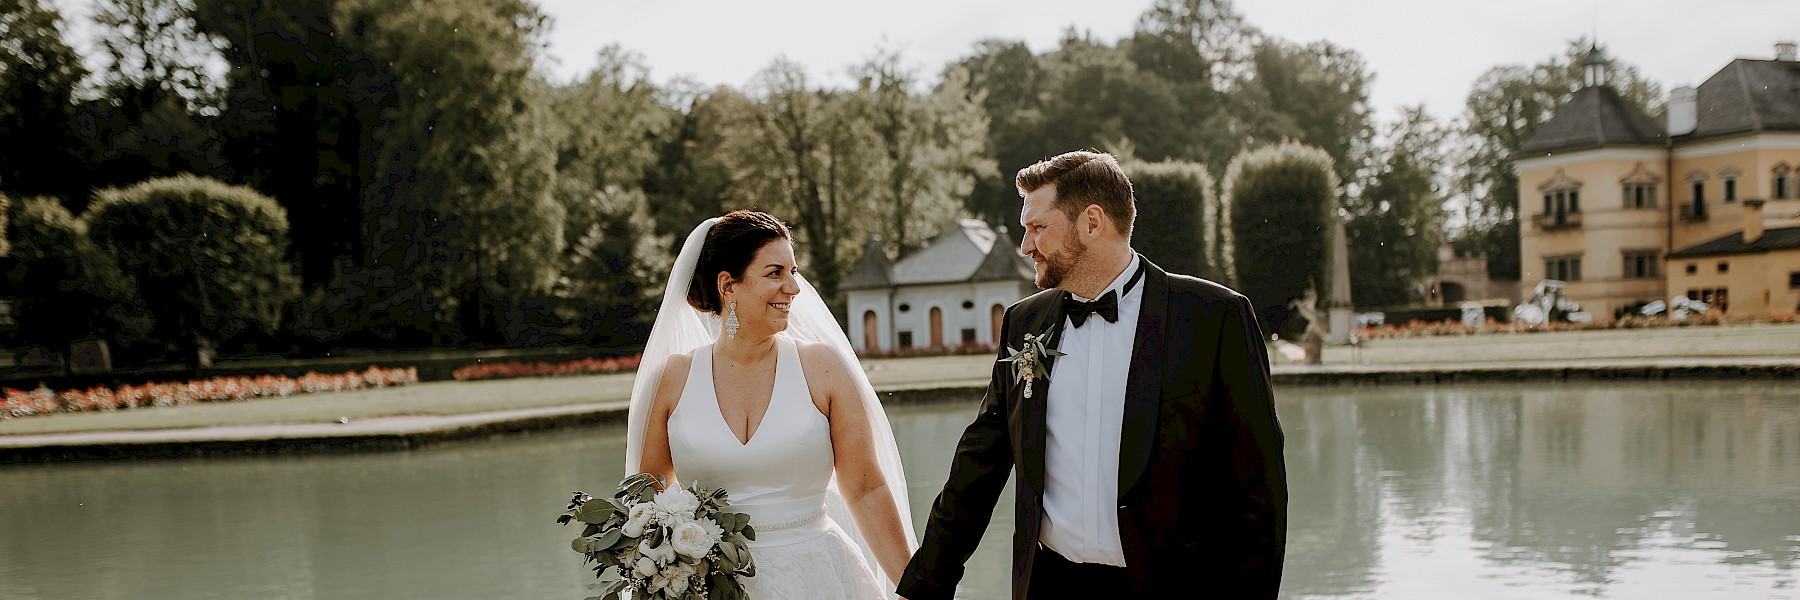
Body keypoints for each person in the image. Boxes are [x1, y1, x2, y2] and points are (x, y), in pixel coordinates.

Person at [897, 152, 1287, 599]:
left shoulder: (1214, 318)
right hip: (1049, 584)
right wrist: (924, 586)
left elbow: (1260, 490)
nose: (1026, 246)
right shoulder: (1025, 323)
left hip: (1175, 587)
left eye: (1038, 228)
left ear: (1092, 222)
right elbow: (979, 463)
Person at [625, 210, 916, 598]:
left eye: (793, 271)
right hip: (713, 585)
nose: (794, 288)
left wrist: (918, 588)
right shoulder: (673, 378)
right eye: (775, 273)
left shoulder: (822, 367)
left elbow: (866, 490)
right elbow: (649, 495)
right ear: (728, 286)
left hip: (819, 578)